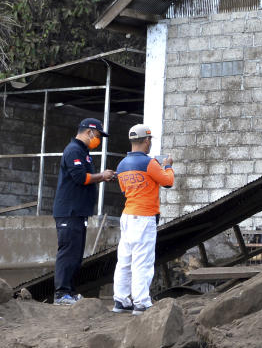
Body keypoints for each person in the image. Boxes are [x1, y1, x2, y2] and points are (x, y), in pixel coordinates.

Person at [52, 118, 116, 305]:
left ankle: (69, 292)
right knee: (68, 252)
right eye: (97, 136)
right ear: (89, 132)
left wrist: (102, 177)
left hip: (78, 212)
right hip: (69, 211)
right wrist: (102, 176)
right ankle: (61, 293)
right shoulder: (73, 150)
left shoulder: (83, 152)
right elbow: (80, 177)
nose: (98, 140)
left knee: (76, 254)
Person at [112, 124, 174, 315]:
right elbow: (168, 182)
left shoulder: (121, 165)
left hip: (128, 215)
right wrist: (169, 166)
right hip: (144, 217)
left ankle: (120, 300)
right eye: (150, 140)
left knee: (124, 259)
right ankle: (141, 302)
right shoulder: (149, 163)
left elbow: (125, 190)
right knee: (143, 260)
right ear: (147, 140)